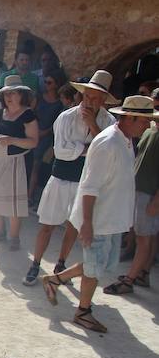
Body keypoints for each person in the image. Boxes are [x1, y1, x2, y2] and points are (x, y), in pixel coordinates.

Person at [41, 96, 158, 333]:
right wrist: (86, 224)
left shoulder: (125, 140)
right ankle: (83, 312)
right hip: (98, 219)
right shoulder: (108, 143)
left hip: (111, 219)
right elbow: (91, 186)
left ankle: (57, 279)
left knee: (102, 264)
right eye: (145, 121)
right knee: (96, 268)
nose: (148, 126)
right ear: (131, 117)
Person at [22, 71, 117, 285]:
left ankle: (60, 264)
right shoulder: (66, 117)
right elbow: (61, 151)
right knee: (47, 224)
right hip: (60, 178)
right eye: (87, 96)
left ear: (103, 101)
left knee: (73, 226)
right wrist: (88, 148)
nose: (89, 102)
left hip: (85, 183)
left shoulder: (108, 121)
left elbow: (107, 152)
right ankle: (35, 263)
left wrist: (93, 126)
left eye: (95, 98)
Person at [103, 95, 159, 295]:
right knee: (142, 235)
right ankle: (141, 273)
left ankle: (131, 279)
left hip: (149, 194)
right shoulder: (150, 131)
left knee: (146, 238)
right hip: (138, 190)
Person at [0, 75, 38, 250]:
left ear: (21, 95)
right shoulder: (1, 112)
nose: (9, 97)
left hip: (15, 163)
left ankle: (14, 237)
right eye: (7, 93)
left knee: (14, 202)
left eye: (13, 93)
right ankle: (0, 231)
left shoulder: (28, 115)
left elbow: (33, 141)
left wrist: (13, 140)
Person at [29, 69, 67, 204]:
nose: (46, 84)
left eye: (49, 82)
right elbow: (30, 113)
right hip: (32, 133)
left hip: (46, 138)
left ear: (56, 84)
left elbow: (57, 122)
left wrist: (44, 132)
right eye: (45, 81)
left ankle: (30, 195)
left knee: (36, 165)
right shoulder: (38, 97)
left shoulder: (59, 103)